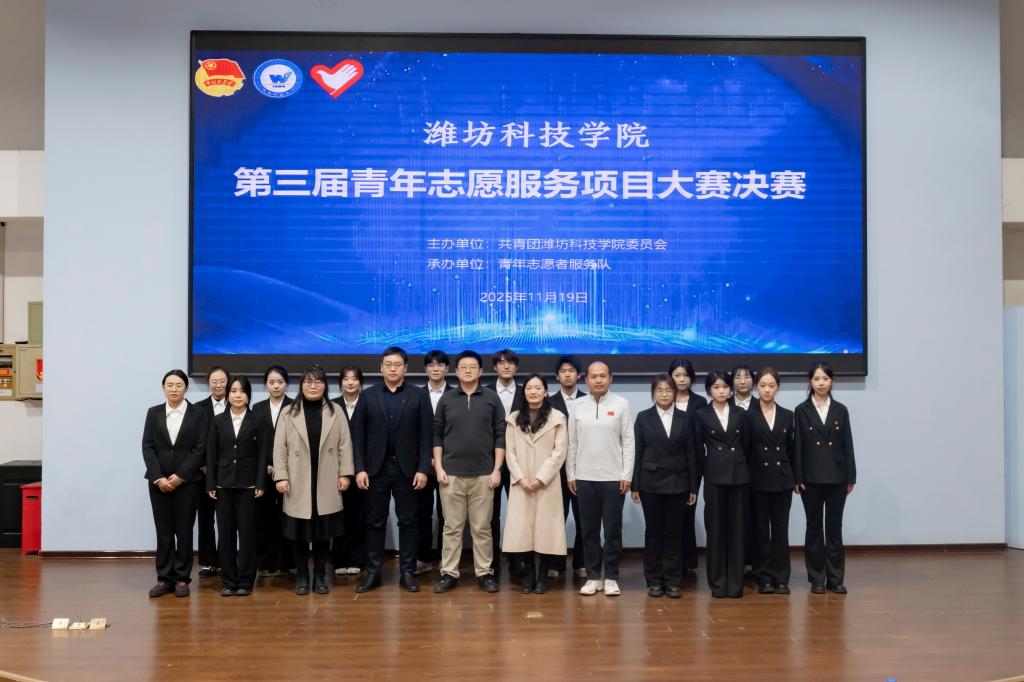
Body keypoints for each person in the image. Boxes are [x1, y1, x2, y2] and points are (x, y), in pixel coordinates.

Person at [352, 347, 433, 593]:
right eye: (388, 364)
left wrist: (423, 469)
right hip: (375, 470)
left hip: (407, 470)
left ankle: (407, 572)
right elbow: (358, 437)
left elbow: (426, 437)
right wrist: (360, 468)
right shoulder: (368, 396)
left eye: (397, 364)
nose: (393, 368)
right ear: (381, 368)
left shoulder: (419, 396)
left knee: (408, 521)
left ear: (406, 368)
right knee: (374, 522)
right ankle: (374, 572)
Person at [273, 365, 354, 596]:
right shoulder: (288, 412)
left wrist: (345, 474)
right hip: (297, 479)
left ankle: (319, 575)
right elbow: (280, 448)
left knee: (323, 532)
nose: (313, 386)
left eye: (318, 382)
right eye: (308, 382)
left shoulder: (336, 411)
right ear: (301, 385)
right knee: (298, 531)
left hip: (326, 477)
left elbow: (345, 445)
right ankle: (301, 575)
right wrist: (281, 476)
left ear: (325, 386)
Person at [432, 350, 506, 594]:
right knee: (451, 528)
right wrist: (439, 467)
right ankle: (449, 573)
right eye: (463, 367)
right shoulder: (446, 399)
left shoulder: (492, 398)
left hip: (484, 475)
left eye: (472, 366)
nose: (467, 370)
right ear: (456, 371)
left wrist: (497, 469)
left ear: (481, 371)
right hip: (450, 474)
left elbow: (500, 435)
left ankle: (484, 572)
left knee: (482, 528)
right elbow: (437, 436)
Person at [567, 361, 634, 597]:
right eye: (593, 376)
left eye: (602, 376)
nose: (598, 380)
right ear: (586, 380)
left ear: (610, 379)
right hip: (584, 478)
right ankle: (593, 577)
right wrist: (571, 474)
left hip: (613, 478)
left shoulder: (621, 404)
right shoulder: (576, 405)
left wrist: (626, 475)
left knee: (613, 531)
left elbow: (628, 441)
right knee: (589, 531)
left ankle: (612, 577)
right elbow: (572, 442)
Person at [142, 370, 208, 598]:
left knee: (184, 530)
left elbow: (200, 448)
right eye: (169, 385)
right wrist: (158, 477)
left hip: (188, 483)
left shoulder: (198, 413)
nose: (174, 389)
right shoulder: (153, 413)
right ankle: (163, 578)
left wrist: (181, 476)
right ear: (163, 388)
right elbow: (148, 447)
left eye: (179, 385)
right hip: (158, 482)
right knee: (164, 531)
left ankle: (181, 578)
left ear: (186, 388)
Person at [631, 374, 697, 599]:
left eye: (669, 390)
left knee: (674, 533)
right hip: (650, 483)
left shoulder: (685, 418)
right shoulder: (643, 417)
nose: (664, 394)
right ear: (653, 393)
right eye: (660, 390)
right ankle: (654, 580)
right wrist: (635, 485)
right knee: (653, 532)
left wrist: (693, 487)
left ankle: (672, 580)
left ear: (675, 393)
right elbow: (638, 452)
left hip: (679, 483)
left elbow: (691, 453)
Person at [794, 361, 856, 595]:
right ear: (810, 381)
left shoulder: (841, 409)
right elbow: (798, 447)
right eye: (817, 379)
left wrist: (851, 476)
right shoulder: (802, 410)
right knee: (813, 528)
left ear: (832, 381)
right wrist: (798, 478)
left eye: (825, 379)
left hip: (837, 477)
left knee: (834, 528)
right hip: (810, 478)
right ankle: (817, 578)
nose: (821, 383)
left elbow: (848, 445)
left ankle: (836, 578)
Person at [503, 375, 568, 594]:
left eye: (538, 388)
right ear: (524, 392)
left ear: (545, 392)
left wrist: (541, 478)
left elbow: (559, 452)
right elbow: (510, 453)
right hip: (521, 483)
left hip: (547, 483)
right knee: (523, 531)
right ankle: (529, 575)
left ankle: (543, 577)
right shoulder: (513, 419)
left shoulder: (557, 418)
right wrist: (521, 478)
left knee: (546, 530)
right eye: (529, 388)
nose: (533, 392)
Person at [206, 376, 266, 597]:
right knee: (226, 534)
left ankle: (246, 580)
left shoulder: (257, 419)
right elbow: (211, 453)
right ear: (228, 394)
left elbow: (263, 453)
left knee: (248, 534)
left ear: (248, 395)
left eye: (242, 391)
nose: (237, 395)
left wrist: (260, 482)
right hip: (223, 484)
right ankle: (229, 580)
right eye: (233, 391)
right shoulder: (217, 420)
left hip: (248, 485)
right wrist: (210, 483)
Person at [693, 370, 750, 598]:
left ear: (731, 389)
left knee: (738, 530)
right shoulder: (701, 414)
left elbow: (747, 444)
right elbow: (697, 450)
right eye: (716, 387)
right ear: (709, 390)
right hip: (714, 476)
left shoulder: (741, 413)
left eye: (725, 387)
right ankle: (717, 583)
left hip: (739, 476)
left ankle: (736, 583)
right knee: (715, 529)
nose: (721, 391)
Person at [745, 367, 795, 594]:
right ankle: (763, 576)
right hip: (758, 480)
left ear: (778, 387)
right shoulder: (747, 415)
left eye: (771, 386)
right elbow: (746, 450)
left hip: (782, 480)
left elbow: (792, 450)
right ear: (756, 387)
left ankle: (781, 577)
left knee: (781, 530)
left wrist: (796, 478)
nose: (767, 390)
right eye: (763, 385)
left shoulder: (787, 415)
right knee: (760, 530)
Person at [546, 355, 587, 579]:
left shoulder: (589, 401)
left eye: (572, 371)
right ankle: (556, 564)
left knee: (584, 519)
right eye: (563, 371)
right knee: (555, 519)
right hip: (556, 471)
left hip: (583, 469)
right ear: (557, 376)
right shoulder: (548, 402)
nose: (568, 374)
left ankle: (581, 563)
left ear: (579, 375)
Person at [486, 348, 525, 578]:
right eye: (501, 362)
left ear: (516, 367)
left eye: (510, 362)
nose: (506, 366)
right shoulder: (484, 391)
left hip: (519, 461)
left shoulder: (526, 391)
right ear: (495, 367)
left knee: (518, 512)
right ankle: (491, 562)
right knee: (490, 514)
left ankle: (516, 560)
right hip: (490, 461)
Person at [251, 366, 293, 577]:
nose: (276, 386)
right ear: (266, 384)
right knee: (264, 518)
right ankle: (266, 562)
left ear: (286, 384)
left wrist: (283, 466)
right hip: (264, 472)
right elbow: (255, 442)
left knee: (287, 517)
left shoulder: (295, 407)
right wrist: (265, 465)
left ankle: (286, 562)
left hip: (290, 472)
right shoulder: (257, 408)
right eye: (271, 382)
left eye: (280, 382)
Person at [668, 358, 706, 578]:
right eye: (677, 375)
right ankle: (671, 560)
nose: (681, 379)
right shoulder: (665, 398)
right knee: (670, 515)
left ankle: (687, 559)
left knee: (687, 512)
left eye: (686, 375)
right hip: (668, 466)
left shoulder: (700, 402)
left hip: (692, 464)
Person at [418, 349, 454, 574]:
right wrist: (426, 458)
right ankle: (422, 558)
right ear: (426, 369)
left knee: (447, 514)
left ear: (447, 369)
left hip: (449, 464)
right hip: (421, 465)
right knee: (421, 513)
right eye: (431, 365)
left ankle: (444, 558)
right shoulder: (415, 394)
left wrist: (440, 458)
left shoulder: (457, 394)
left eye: (440, 364)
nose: (435, 368)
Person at [194, 366, 229, 578]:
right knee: (206, 519)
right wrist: (203, 464)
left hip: (228, 473)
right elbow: (195, 441)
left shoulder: (237, 405)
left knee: (226, 520)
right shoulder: (198, 409)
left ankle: (225, 560)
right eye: (214, 381)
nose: (218, 385)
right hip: (204, 474)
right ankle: (209, 562)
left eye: (222, 381)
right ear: (208, 383)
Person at [332, 366, 366, 577]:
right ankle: (339, 559)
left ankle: (358, 559)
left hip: (363, 470)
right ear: (341, 382)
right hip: (337, 471)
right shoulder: (332, 405)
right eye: (346, 379)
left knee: (361, 516)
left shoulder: (368, 402)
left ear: (360, 382)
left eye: (355, 379)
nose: (351, 383)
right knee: (338, 516)